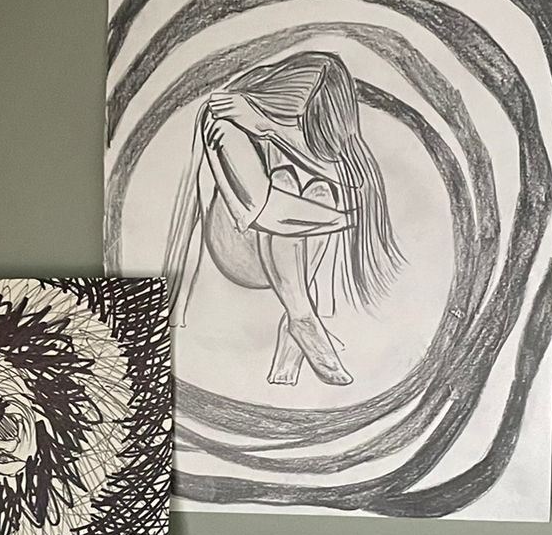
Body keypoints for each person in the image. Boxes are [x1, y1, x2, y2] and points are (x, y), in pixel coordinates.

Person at [162, 50, 402, 386]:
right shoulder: (224, 118)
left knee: (320, 190)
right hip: (238, 243)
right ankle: (302, 318)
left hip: (290, 257)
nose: (300, 131)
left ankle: (295, 333)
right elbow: (267, 211)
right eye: (295, 120)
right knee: (286, 182)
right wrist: (343, 219)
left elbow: (356, 181)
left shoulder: (280, 123)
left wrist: (271, 129)